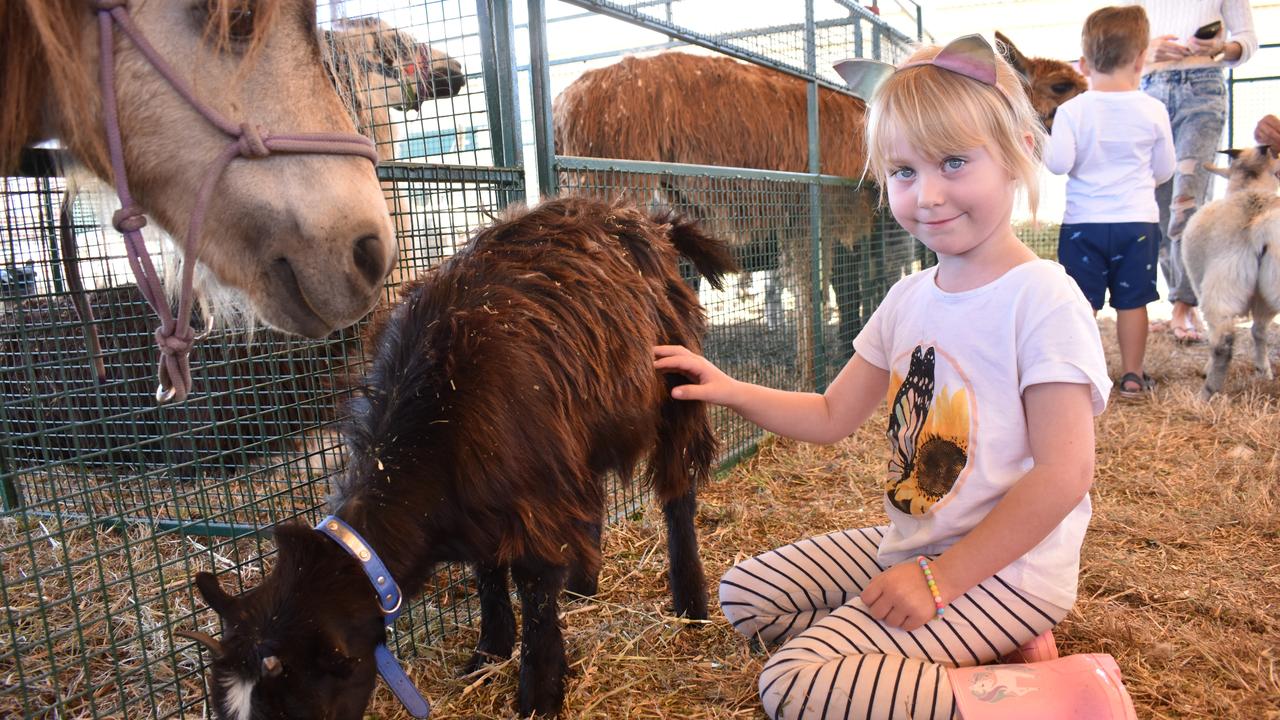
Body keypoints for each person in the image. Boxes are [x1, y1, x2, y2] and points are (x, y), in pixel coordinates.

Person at [655, 35, 1135, 720]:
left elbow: (1065, 475)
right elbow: (829, 414)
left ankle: (1065, 695)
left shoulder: (1044, 298)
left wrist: (939, 582)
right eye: (904, 172)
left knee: (793, 682)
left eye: (954, 162)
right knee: (745, 595)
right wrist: (726, 386)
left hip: (1006, 569)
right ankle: (959, 651)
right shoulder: (908, 298)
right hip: (916, 543)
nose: (928, 195)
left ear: (1018, 153)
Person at [1044, 6, 1174, 399]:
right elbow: (1165, 170)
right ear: (1140, 59)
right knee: (1133, 302)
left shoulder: (1071, 111)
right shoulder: (1154, 109)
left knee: (1083, 304)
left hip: (1084, 224)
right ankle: (1132, 376)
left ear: (1083, 64)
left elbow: (1058, 164)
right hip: (1137, 223)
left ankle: (1082, 375)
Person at [1123, 0, 1257, 343]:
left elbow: (1246, 40)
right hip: (1148, 90)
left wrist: (1220, 47)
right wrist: (1147, 50)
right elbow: (1119, 44)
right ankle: (1177, 299)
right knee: (1156, 200)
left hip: (1203, 88)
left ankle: (1185, 303)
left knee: (1188, 198)